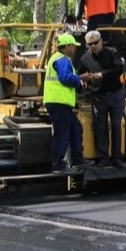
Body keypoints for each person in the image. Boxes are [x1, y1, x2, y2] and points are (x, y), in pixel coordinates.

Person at [44, 33, 95, 173]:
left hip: (59, 102)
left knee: (76, 128)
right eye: (73, 46)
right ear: (67, 46)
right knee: (62, 134)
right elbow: (65, 79)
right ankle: (58, 166)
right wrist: (80, 79)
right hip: (59, 102)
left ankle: (77, 159)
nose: (75, 49)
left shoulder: (58, 58)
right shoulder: (62, 60)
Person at [78, 30, 125, 167]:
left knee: (116, 125)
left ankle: (116, 158)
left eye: (95, 43)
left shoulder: (112, 52)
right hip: (98, 97)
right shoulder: (85, 59)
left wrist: (102, 75)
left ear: (101, 42)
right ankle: (104, 159)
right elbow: (79, 75)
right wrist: (84, 79)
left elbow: (118, 69)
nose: (93, 46)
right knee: (100, 128)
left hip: (115, 94)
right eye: (90, 44)